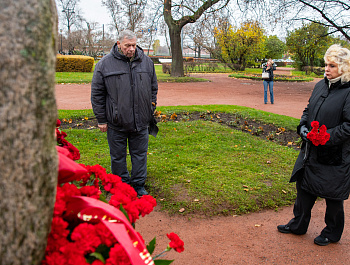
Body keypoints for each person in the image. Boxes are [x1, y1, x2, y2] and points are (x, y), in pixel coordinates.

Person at [277, 44, 350, 246]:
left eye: (332, 65)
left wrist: (325, 137)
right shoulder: (320, 85)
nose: (327, 69)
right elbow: (309, 109)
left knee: (333, 196)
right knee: (304, 188)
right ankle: (298, 225)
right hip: (311, 150)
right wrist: (302, 126)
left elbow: (349, 126)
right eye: (326, 64)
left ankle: (331, 232)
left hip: (335, 154)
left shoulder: (348, 92)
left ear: (344, 68)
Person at [91, 30, 158, 197]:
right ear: (119, 44)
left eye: (134, 45)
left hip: (141, 120)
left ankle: (138, 185)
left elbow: (153, 88)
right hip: (116, 122)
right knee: (118, 156)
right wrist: (101, 119)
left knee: (140, 155)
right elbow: (97, 94)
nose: (132, 49)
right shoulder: (104, 64)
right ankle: (121, 186)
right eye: (128, 45)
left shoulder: (147, 63)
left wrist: (151, 107)